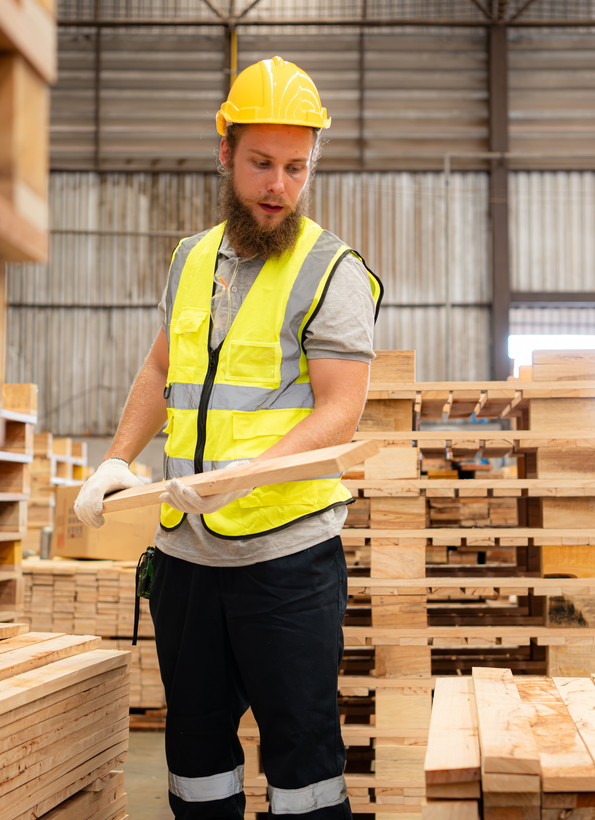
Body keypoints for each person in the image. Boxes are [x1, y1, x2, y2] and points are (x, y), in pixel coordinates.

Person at [73, 56, 383, 820]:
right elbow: (159, 368)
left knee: (301, 757)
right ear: (224, 153)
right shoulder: (189, 259)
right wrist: (117, 459)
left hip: (285, 558)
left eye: (295, 167)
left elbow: (339, 411)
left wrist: (249, 475)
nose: (277, 185)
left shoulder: (330, 270)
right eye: (260, 163)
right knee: (195, 754)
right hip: (186, 558)